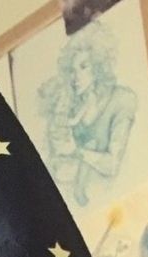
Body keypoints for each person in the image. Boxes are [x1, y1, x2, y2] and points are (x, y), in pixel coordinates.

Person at [39, 23, 136, 206]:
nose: (76, 77)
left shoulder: (122, 100)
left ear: (99, 66)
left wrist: (76, 151)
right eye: (73, 70)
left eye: (84, 67)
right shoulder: (72, 103)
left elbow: (113, 165)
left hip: (114, 199)